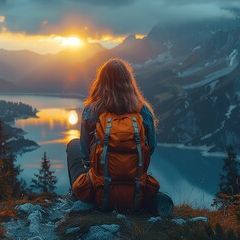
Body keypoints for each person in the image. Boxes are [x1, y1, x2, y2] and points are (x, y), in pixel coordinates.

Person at [66, 58, 173, 216]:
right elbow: (150, 148)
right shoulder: (143, 111)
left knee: (73, 145)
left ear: (100, 82)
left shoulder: (92, 109)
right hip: (135, 189)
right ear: (129, 82)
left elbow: (84, 150)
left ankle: (79, 195)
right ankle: (149, 200)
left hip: (101, 191)